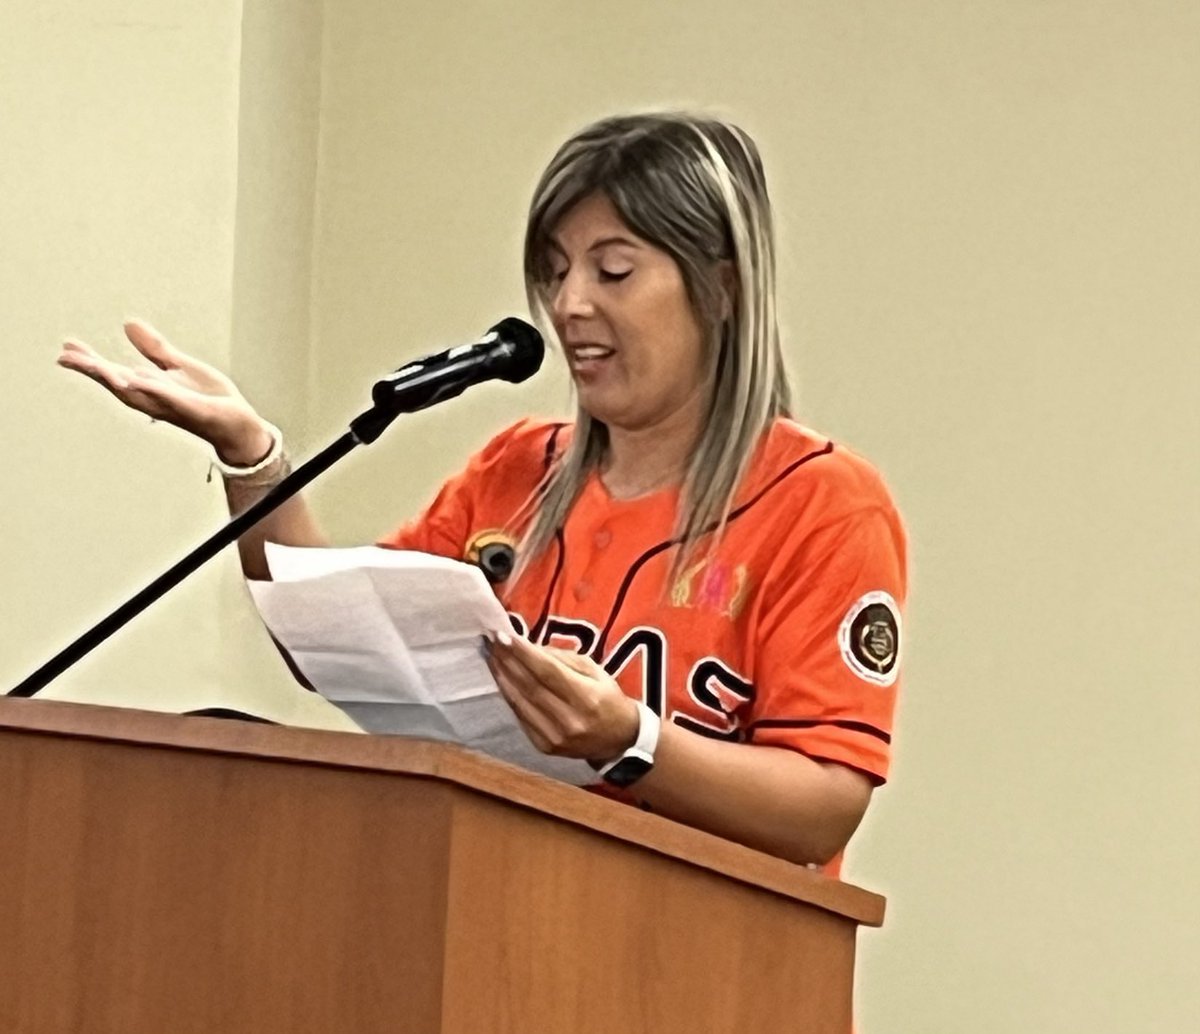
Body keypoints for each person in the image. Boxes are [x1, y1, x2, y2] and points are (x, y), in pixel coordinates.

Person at [57, 112, 906, 875]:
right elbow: (339, 638)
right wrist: (253, 457)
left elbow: (824, 807)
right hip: (478, 920)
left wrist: (632, 741)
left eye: (613, 271)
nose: (569, 304)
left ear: (720, 288)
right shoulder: (516, 471)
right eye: (556, 270)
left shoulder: (823, 506)